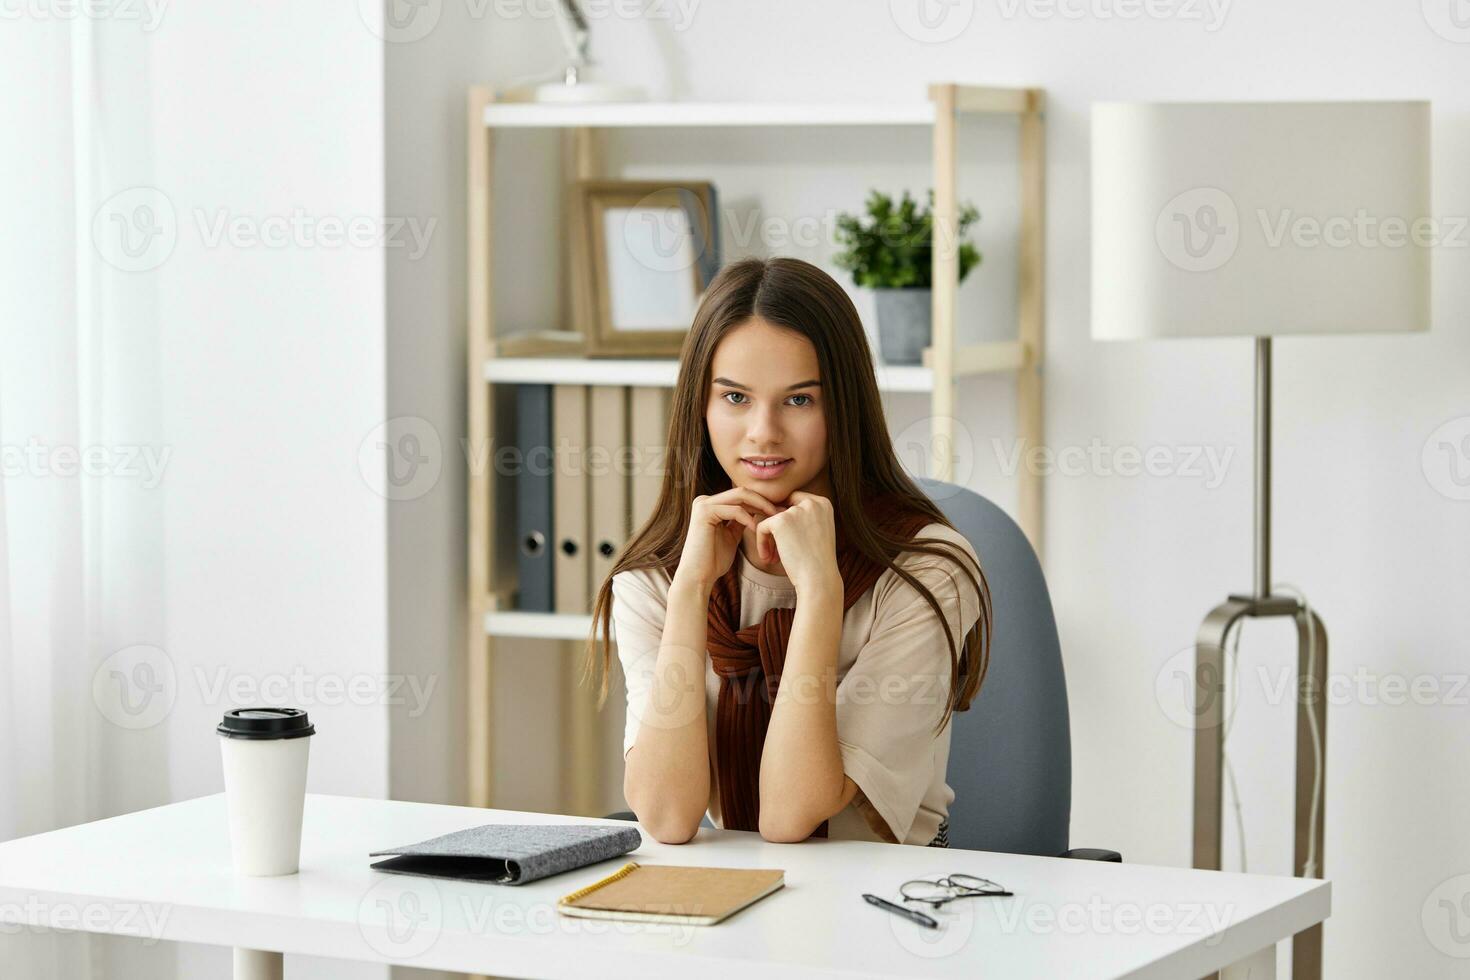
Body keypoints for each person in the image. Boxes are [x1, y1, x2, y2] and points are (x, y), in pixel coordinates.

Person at [583, 256, 991, 847]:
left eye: (799, 400)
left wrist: (821, 593)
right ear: (700, 405)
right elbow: (668, 817)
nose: (763, 432)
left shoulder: (927, 572)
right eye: (735, 398)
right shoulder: (656, 578)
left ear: (843, 407)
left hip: (882, 906)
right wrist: (692, 592)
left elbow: (790, 817)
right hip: (731, 904)